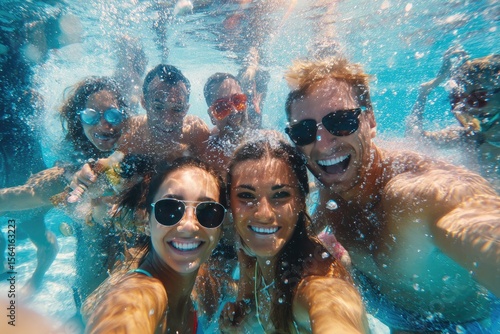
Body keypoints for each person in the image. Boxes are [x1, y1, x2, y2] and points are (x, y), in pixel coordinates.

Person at [283, 56, 500, 332]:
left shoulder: (419, 195)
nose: (322, 144)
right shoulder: (333, 179)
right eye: (304, 131)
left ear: (370, 119)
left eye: (341, 121)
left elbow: (476, 221)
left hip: (464, 322)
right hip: (388, 308)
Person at [220, 133, 369, 333]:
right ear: (231, 203)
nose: (263, 214)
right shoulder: (249, 250)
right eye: (246, 195)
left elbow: (332, 313)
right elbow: (249, 298)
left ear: (301, 200)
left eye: (280, 195)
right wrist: (240, 312)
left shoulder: (315, 285)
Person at [83, 157, 227, 333]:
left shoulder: (197, 283)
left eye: (208, 211)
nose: (189, 225)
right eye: (169, 209)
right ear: (147, 221)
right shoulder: (139, 295)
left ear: (221, 227)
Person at [407, 47, 500, 189]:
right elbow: (416, 139)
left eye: (479, 97)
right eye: (460, 99)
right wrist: (424, 93)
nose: (469, 108)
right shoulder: (470, 136)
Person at [203, 72, 252, 177]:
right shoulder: (206, 155)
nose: (234, 111)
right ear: (212, 116)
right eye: (222, 106)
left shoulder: (265, 141)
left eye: (238, 101)